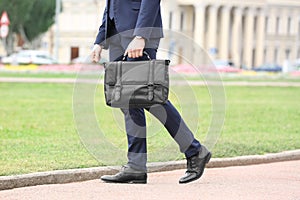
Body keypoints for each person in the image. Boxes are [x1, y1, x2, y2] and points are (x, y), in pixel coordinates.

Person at [91, 0, 211, 184]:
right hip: (116, 34)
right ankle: (136, 166)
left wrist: (141, 35)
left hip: (137, 32)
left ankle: (194, 151)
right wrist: (100, 39)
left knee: (149, 97)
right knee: (128, 100)